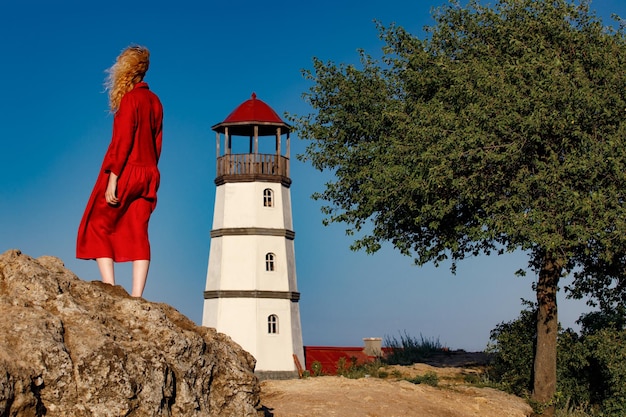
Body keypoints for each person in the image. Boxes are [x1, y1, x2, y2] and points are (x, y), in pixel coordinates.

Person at [77, 45, 163, 297]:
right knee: (139, 229)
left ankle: (111, 287)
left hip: (126, 170)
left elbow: (123, 141)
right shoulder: (155, 101)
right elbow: (157, 142)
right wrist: (151, 173)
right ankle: (137, 295)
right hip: (149, 172)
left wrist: (113, 178)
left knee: (97, 223)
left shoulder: (130, 100)